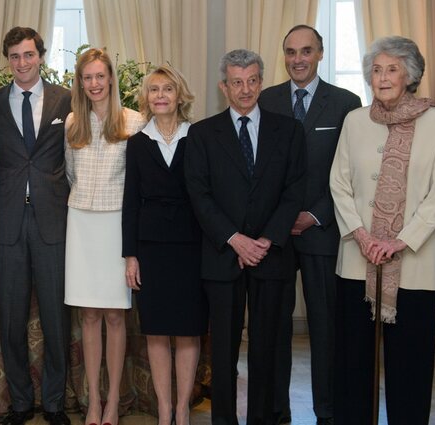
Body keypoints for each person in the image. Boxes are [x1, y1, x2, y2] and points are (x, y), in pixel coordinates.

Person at [330, 36, 435, 425]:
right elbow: (339, 182)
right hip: (358, 259)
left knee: (410, 366)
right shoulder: (354, 120)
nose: (381, 78)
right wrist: (364, 237)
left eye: (392, 69)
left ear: (410, 75)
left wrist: (399, 241)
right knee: (354, 363)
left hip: (414, 266)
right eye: (376, 69)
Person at [184, 49, 306, 425]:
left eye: (252, 80)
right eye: (237, 82)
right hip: (222, 257)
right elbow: (198, 195)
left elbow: (295, 189)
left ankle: (264, 418)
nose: (245, 89)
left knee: (268, 348)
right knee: (223, 351)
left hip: (273, 256)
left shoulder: (288, 130)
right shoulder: (202, 134)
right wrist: (235, 239)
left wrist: (267, 239)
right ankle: (224, 420)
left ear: (261, 81)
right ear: (224, 86)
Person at [257, 25, 361, 425]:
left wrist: (315, 214)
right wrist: (281, 219)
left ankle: (328, 413)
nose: (297, 59)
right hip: (277, 238)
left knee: (326, 329)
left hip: (323, 231)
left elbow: (350, 172)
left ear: (319, 53)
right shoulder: (266, 100)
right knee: (274, 329)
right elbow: (260, 169)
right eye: (290, 52)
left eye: (305, 51)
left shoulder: (345, 103)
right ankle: (276, 411)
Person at [0, 27, 72, 425]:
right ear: (7, 60)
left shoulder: (66, 100)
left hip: (54, 222)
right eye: (14, 56)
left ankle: (53, 402)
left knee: (56, 319)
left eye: (29, 55)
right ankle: (20, 401)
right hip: (9, 224)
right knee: (11, 320)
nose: (22, 63)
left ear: (41, 56)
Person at [64, 47, 146, 425]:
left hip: (116, 226)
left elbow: (140, 183)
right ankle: (92, 401)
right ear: (80, 83)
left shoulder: (134, 121)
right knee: (89, 315)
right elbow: (69, 175)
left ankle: (113, 400)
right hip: (80, 224)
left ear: (111, 78)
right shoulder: (71, 123)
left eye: (100, 76)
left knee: (115, 315)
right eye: (87, 77)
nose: (94, 84)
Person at [122, 64, 207, 425]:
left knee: (188, 330)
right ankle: (163, 409)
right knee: (156, 331)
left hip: (192, 245)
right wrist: (130, 255)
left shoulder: (199, 137)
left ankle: (183, 409)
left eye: (167, 89)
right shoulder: (137, 143)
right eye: (154, 89)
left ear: (179, 96)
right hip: (152, 247)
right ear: (146, 98)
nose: (160, 95)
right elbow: (130, 201)